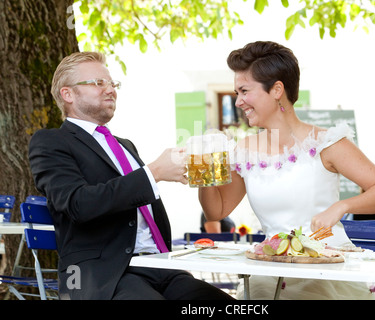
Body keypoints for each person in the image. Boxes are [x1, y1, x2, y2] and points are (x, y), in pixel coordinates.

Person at [199, 41, 375, 300]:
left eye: (244, 91)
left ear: (276, 90)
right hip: (271, 268)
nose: (238, 102)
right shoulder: (244, 149)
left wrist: (340, 207)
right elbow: (217, 211)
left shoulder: (326, 142)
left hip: (325, 267)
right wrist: (203, 174)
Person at [28, 52, 233, 300]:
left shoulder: (125, 145)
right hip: (105, 274)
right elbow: (78, 204)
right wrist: (154, 172)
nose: (110, 90)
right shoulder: (51, 142)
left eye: (112, 84)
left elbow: (136, 192)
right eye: (98, 83)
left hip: (162, 265)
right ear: (67, 94)